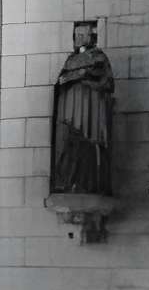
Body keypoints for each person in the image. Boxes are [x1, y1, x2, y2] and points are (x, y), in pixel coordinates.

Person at [48, 18, 115, 196]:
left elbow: (105, 80)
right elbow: (61, 81)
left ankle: (91, 183)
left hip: (91, 110)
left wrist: (81, 76)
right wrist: (68, 80)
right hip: (70, 109)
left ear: (90, 36)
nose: (78, 38)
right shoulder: (70, 59)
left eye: (81, 35)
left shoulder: (98, 56)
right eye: (76, 35)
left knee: (89, 143)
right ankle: (69, 181)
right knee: (70, 142)